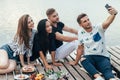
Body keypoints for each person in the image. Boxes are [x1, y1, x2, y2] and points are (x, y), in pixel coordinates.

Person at [69, 6, 118, 80]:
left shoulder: (98, 28)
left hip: (103, 57)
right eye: (85, 21)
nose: (88, 22)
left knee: (108, 73)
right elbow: (80, 49)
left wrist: (113, 14)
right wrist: (75, 62)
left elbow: (108, 22)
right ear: (80, 25)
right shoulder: (80, 33)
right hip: (90, 58)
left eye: (88, 20)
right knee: (82, 60)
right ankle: (98, 77)